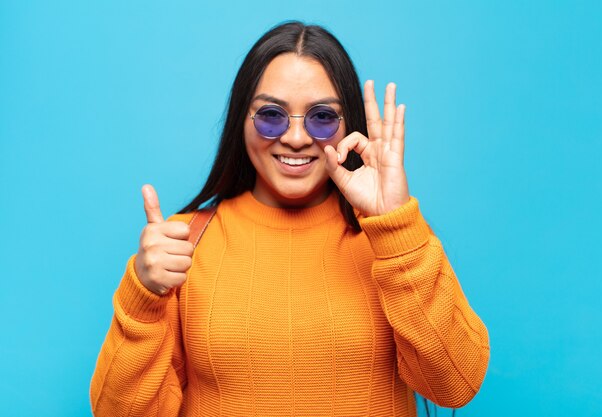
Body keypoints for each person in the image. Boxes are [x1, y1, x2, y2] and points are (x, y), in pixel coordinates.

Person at [90, 21, 490, 417]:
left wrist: (396, 228)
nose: (296, 138)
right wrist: (141, 297)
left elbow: (454, 384)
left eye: (321, 117)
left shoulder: (391, 236)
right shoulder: (181, 245)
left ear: (348, 124)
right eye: (271, 114)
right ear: (240, 120)